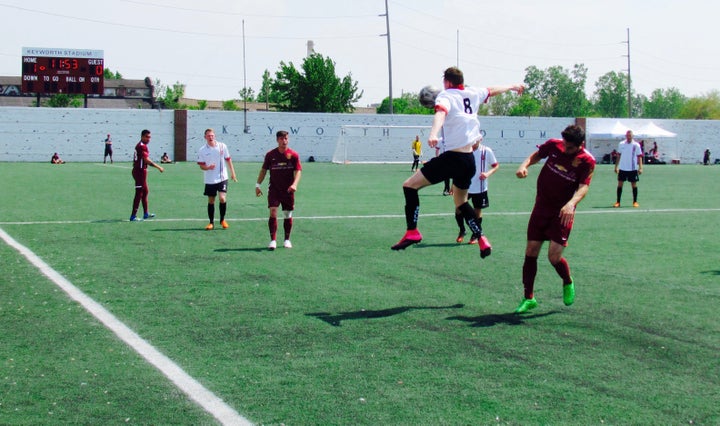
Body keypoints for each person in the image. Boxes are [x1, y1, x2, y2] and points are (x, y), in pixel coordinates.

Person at [390, 66, 523, 256]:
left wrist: (433, 134)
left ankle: (412, 231)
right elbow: (492, 90)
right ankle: (481, 238)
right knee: (460, 202)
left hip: (453, 157)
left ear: (447, 82)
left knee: (409, 186)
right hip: (469, 160)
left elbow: (440, 114)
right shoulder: (473, 92)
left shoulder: (446, 96)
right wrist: (512, 86)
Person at [514, 124, 596, 314]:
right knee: (531, 251)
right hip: (541, 207)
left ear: (581, 145)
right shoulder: (554, 145)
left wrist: (571, 203)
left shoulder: (587, 161)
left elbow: (584, 186)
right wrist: (524, 165)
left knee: (554, 257)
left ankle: (567, 281)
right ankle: (529, 298)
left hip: (562, 212)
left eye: (570, 148)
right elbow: (536, 155)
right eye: (565, 145)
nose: (565, 150)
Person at [255, 130, 303, 250]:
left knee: (287, 214)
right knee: (273, 212)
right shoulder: (270, 155)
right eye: (281, 139)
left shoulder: (294, 155)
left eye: (286, 138)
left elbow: (298, 171)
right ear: (277, 140)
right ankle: (273, 240)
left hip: (288, 190)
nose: (284, 141)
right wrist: (257, 185)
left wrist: (295, 184)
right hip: (274, 189)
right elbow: (263, 170)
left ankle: (287, 239)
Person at [454, 136, 498, 251]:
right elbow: (457, 168)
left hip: (480, 187)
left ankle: (475, 234)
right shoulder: (463, 150)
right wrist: (452, 185)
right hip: (464, 186)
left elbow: (496, 166)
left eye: (476, 140)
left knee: (477, 211)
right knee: (458, 209)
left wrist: (487, 174)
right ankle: (462, 230)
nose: (474, 142)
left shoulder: (486, 151)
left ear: (480, 140)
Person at [197, 128, 237, 230]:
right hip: (210, 179)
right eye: (208, 136)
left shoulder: (222, 146)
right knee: (211, 200)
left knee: (222, 198)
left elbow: (228, 159)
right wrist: (208, 167)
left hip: (222, 177)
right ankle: (211, 222)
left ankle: (222, 220)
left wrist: (233, 173)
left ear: (215, 136)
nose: (210, 137)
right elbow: (201, 166)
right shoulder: (202, 150)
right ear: (205, 137)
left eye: (212, 135)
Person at [129, 129, 164, 221]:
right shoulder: (141, 146)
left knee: (145, 192)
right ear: (142, 137)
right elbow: (146, 160)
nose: (149, 139)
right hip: (139, 172)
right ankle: (133, 216)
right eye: (147, 137)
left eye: (150, 137)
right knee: (139, 193)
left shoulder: (142, 145)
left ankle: (146, 213)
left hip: (141, 171)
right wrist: (158, 167)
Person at [614, 130, 643, 208]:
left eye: (630, 136)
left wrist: (640, 168)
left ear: (633, 136)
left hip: (632, 169)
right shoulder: (621, 144)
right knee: (620, 184)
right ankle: (618, 202)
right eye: (627, 135)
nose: (629, 137)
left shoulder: (636, 145)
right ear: (625, 136)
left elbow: (639, 156)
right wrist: (616, 166)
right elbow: (618, 155)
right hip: (623, 168)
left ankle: (635, 202)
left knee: (634, 185)